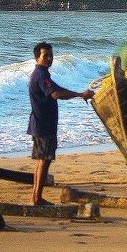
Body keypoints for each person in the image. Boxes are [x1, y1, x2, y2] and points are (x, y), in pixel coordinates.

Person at [28, 42, 95, 205]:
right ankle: (37, 198)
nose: (50, 58)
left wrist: (79, 94)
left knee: (41, 160)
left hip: (40, 123)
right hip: (43, 125)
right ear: (37, 57)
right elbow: (56, 94)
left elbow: (58, 88)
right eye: (46, 56)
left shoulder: (43, 74)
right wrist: (80, 94)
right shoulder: (41, 76)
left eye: (51, 55)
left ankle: (36, 196)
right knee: (44, 160)